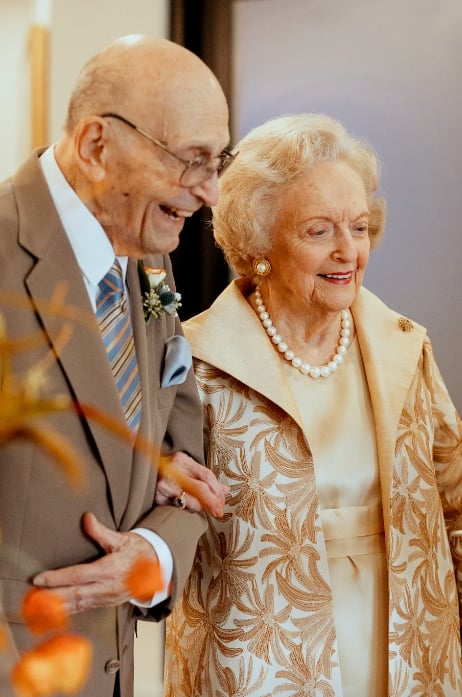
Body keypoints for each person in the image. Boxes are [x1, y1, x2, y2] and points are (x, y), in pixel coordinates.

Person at [163, 114, 462, 696]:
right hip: (260, 664)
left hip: (411, 653)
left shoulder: (405, 347)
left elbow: (457, 503)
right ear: (258, 244)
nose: (348, 250)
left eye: (359, 226)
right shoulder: (195, 363)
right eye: (319, 230)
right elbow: (162, 515)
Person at [0, 34, 229, 697]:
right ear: (98, 146)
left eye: (217, 162)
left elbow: (187, 455)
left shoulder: (148, 257)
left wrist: (154, 556)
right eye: (190, 160)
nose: (209, 191)